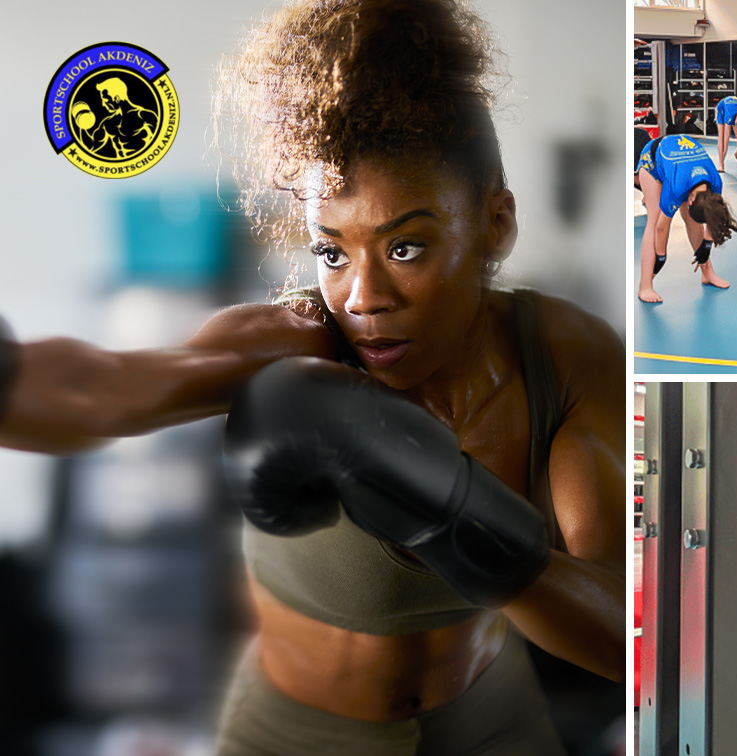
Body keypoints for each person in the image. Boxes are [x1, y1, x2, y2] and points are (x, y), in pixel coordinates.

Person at [1, 2, 625, 754]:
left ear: (495, 222)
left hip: (490, 718)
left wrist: (455, 512)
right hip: (299, 735)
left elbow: (625, 631)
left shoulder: (564, 355)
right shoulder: (293, 346)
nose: (362, 297)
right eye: (331, 253)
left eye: (406, 248)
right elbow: (107, 386)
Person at [637, 135, 737, 303]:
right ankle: (645, 285)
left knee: (692, 221)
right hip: (652, 160)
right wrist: (661, 257)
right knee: (654, 220)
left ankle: (707, 274)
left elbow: (715, 218)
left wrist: (704, 249)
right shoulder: (677, 188)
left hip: (681, 162)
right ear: (689, 200)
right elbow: (661, 228)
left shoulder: (715, 185)